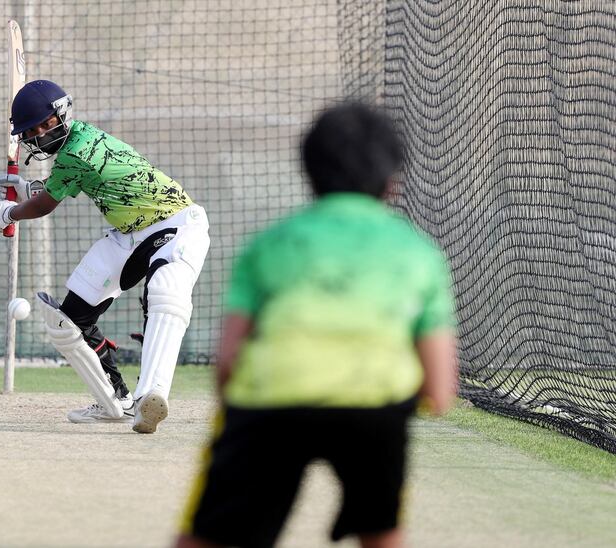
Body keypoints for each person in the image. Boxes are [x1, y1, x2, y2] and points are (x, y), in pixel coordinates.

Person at [176, 102, 458, 547]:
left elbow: (228, 363)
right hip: (375, 408)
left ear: (309, 171)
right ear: (392, 179)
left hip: (270, 403)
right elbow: (440, 392)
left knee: (209, 536)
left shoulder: (270, 244)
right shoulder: (420, 253)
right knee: (382, 530)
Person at [0, 80, 210, 434]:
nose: (37, 138)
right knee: (71, 320)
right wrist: (25, 191)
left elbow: (46, 204)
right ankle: (115, 399)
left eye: (39, 129)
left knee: (166, 294)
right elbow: (62, 185)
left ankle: (150, 397)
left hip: (176, 225)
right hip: (128, 234)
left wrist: (8, 214)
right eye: (30, 133)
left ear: (55, 120)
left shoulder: (75, 153)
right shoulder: (81, 139)